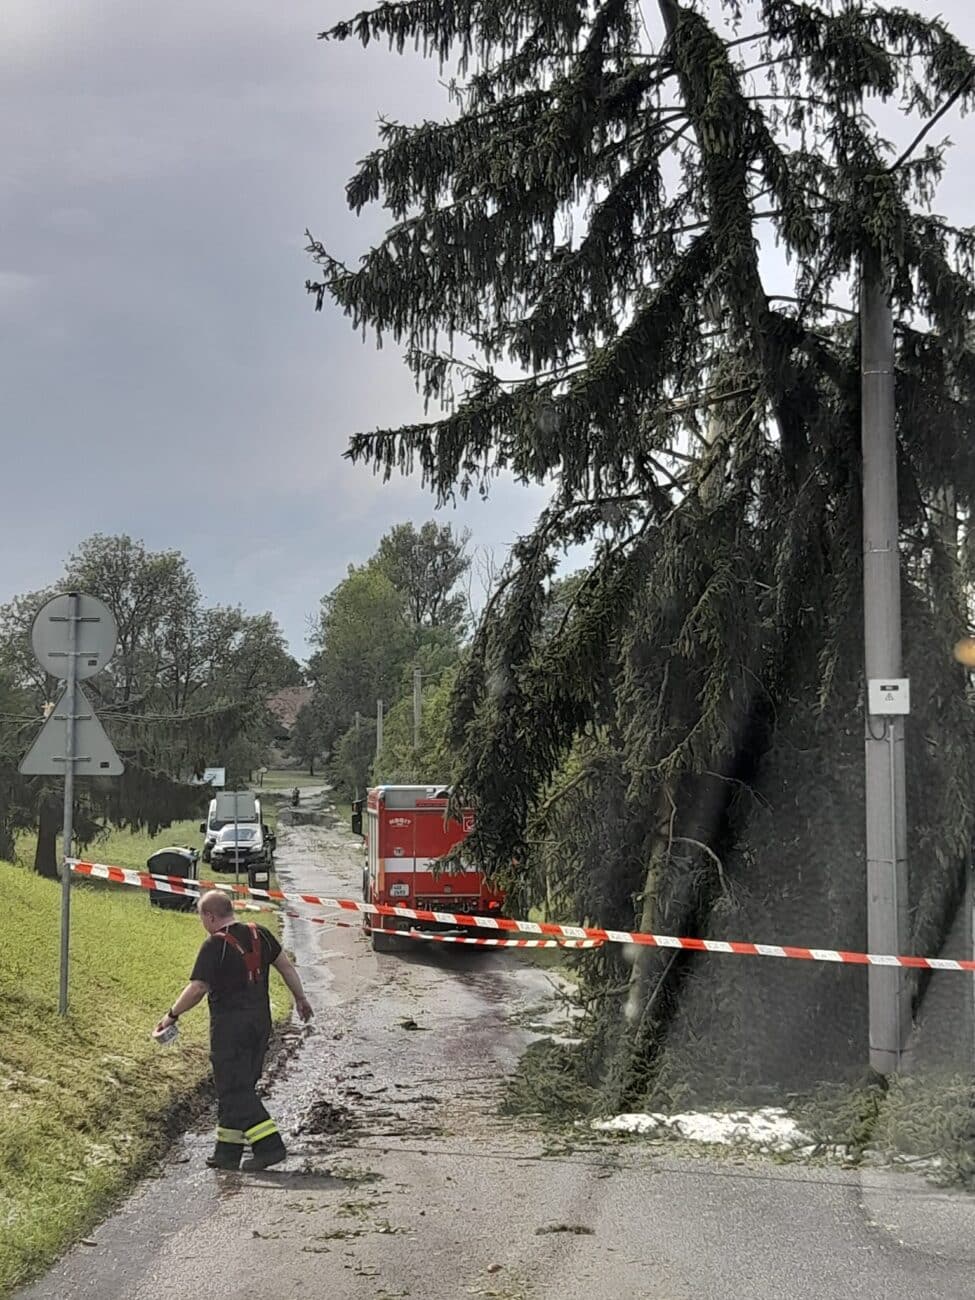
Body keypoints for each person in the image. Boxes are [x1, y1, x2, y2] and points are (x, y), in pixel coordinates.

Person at [154, 890, 313, 1171]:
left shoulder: (214, 945)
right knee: (237, 1087)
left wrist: (171, 1015)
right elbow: (285, 966)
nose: (202, 923)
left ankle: (269, 1146)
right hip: (260, 1025)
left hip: (230, 1029)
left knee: (234, 1089)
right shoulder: (259, 933)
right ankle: (227, 1152)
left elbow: (198, 988)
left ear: (210, 916)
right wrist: (300, 998)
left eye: (202, 917)